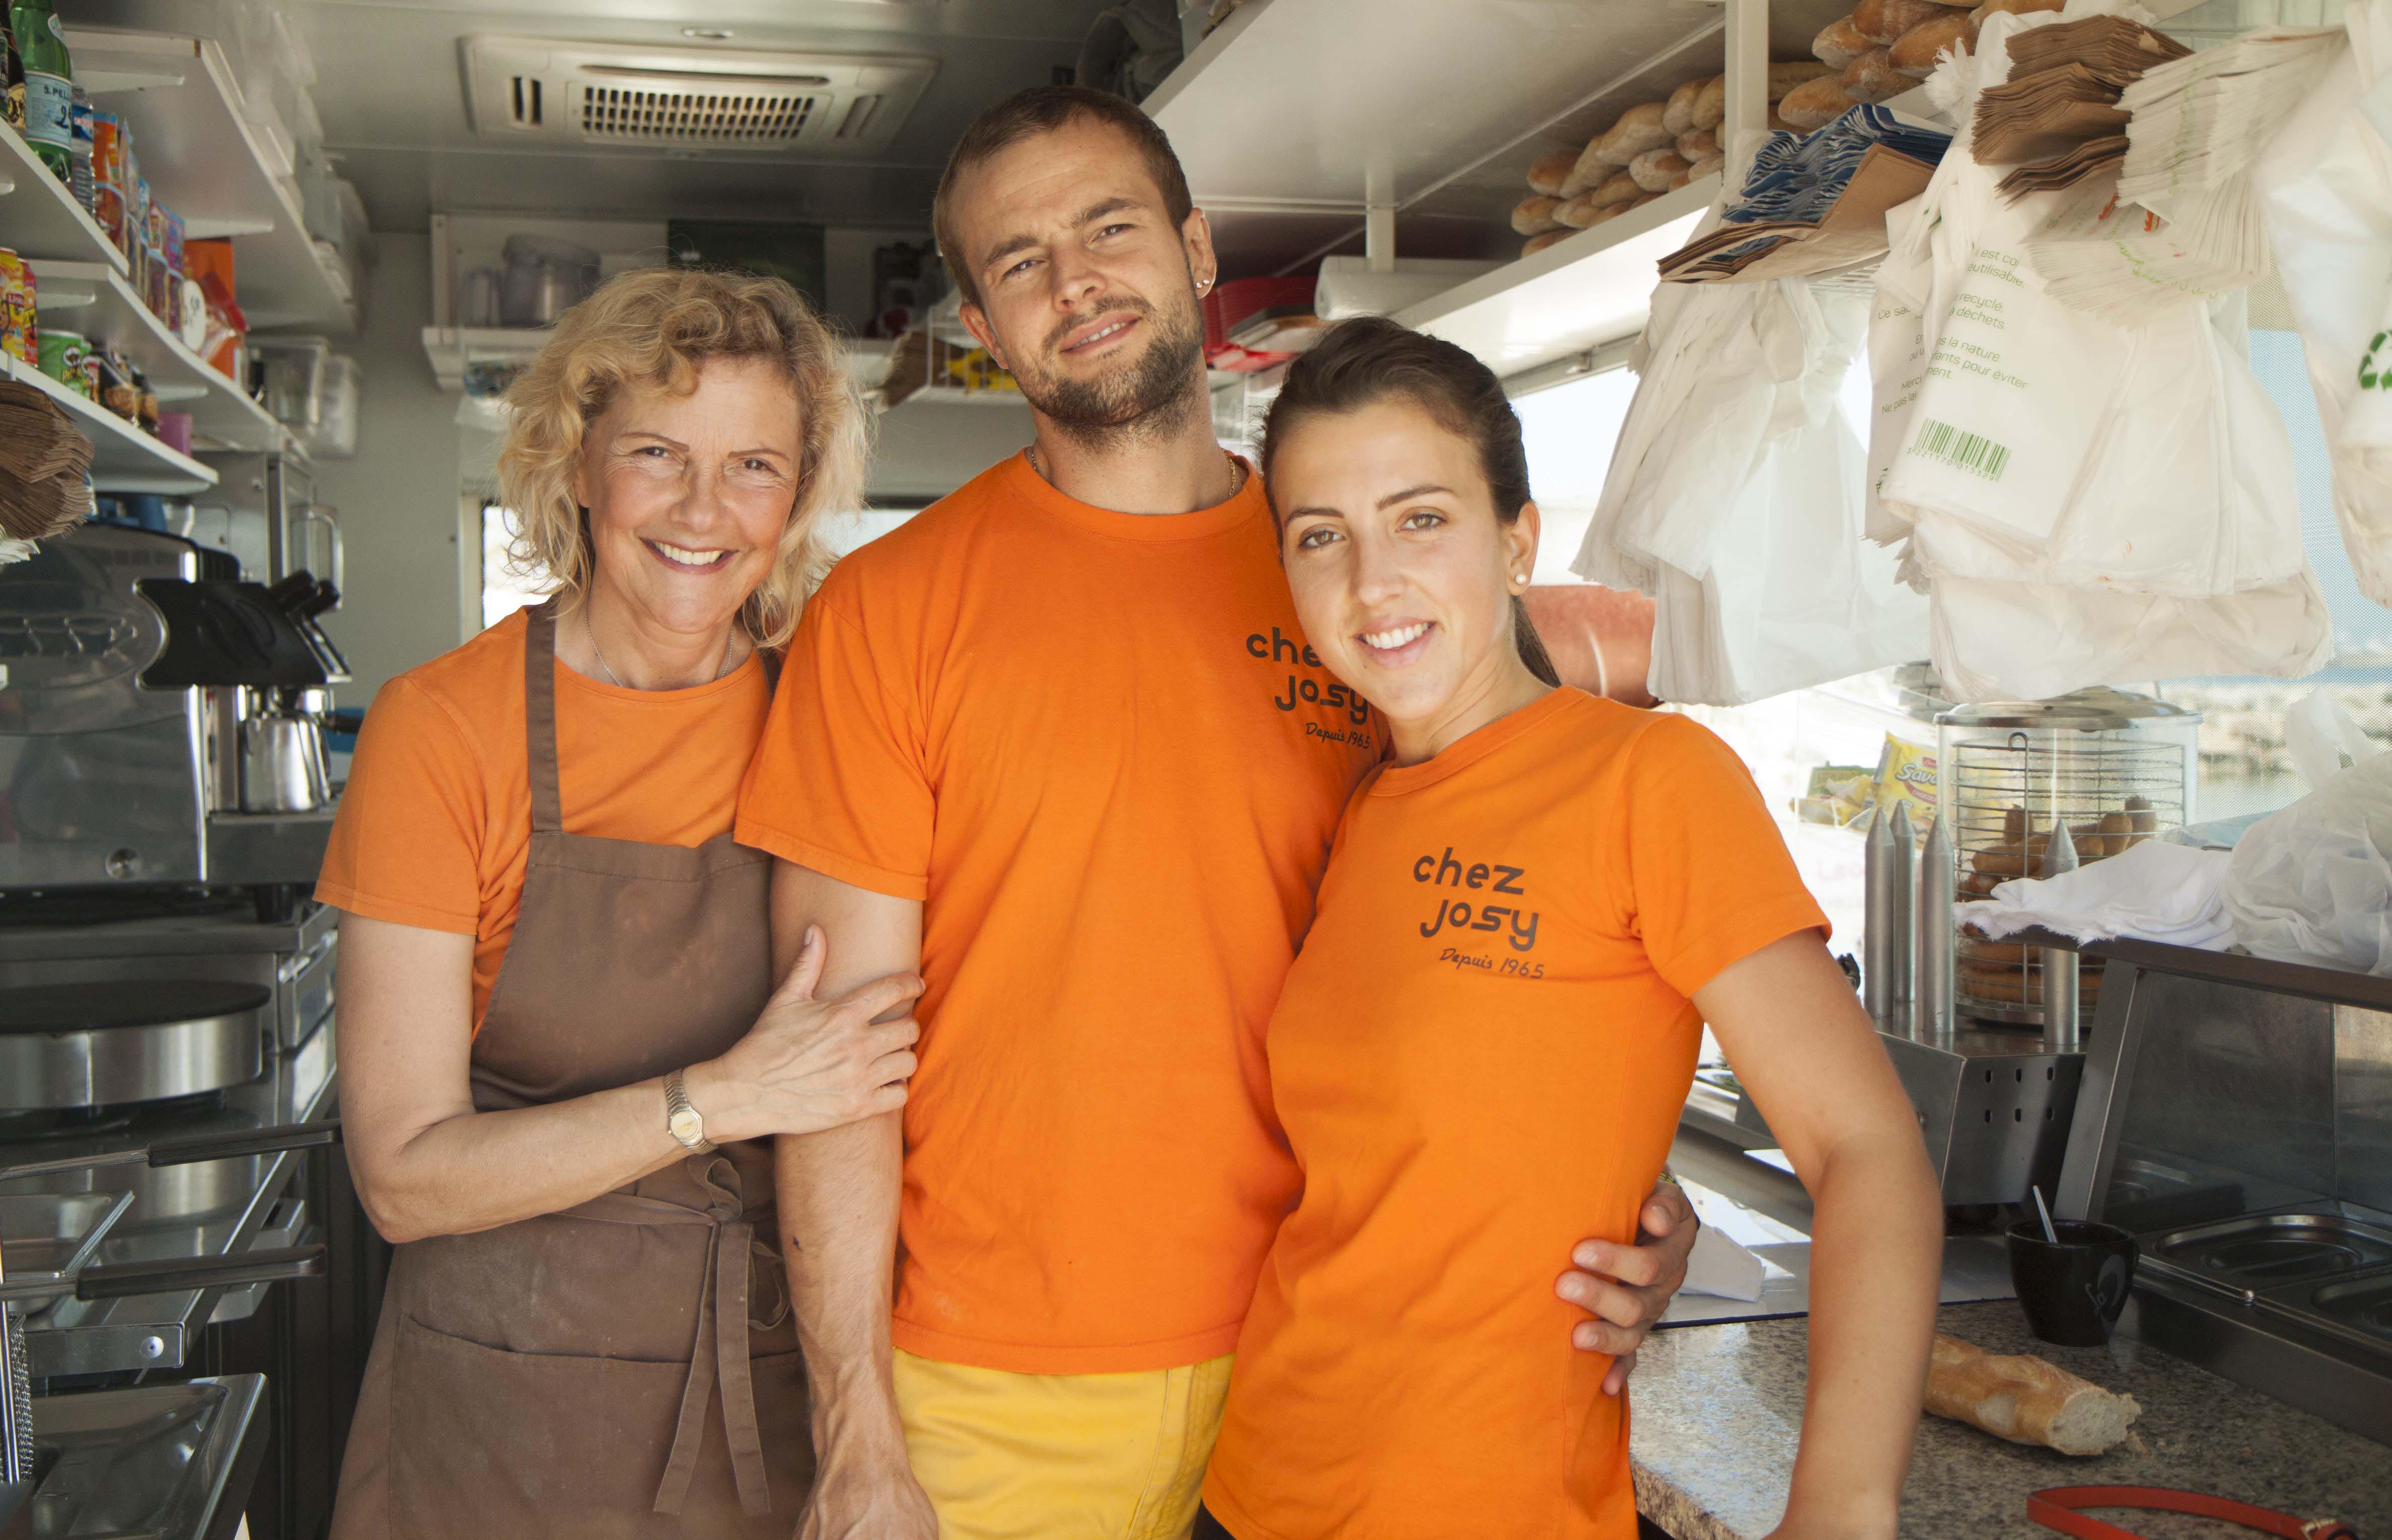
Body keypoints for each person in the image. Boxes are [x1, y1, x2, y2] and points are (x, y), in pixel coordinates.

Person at [734, 87, 1701, 1540]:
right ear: (984, 329)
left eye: (1109, 227)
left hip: (1330, 1359)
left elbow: (1493, 932)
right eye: (1018, 261)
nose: (1075, 283)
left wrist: (1627, 1180)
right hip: (998, 1388)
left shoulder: (1355, 590)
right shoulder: (889, 610)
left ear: (1194, 250)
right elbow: (835, 1060)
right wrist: (857, 1431)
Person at [1193, 317, 1946, 1540]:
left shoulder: (1649, 780)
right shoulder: (1363, 806)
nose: (1371, 581)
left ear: (1516, 540)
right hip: (1255, 1489)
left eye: (1420, 519)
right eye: (1319, 537)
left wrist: (1840, 1510)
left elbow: (1870, 1157)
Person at [321, 269, 923, 1537]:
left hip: (756, 1403)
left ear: (799, 494)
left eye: (755, 466)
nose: (706, 510)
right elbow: (404, 1180)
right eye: (658, 452)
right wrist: (722, 1099)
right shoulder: (442, 731)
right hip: (495, 1411)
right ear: (576, 464)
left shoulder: (835, 712)